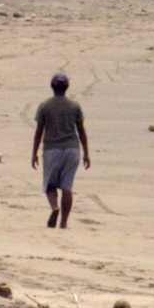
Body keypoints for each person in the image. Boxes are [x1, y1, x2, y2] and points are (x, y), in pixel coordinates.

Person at [30, 72, 91, 229]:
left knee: (50, 184)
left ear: (52, 87)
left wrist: (34, 153)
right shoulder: (74, 106)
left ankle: (55, 208)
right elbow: (81, 131)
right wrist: (86, 153)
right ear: (67, 87)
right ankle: (64, 222)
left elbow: (39, 131)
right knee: (67, 187)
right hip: (72, 150)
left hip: (52, 150)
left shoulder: (45, 106)